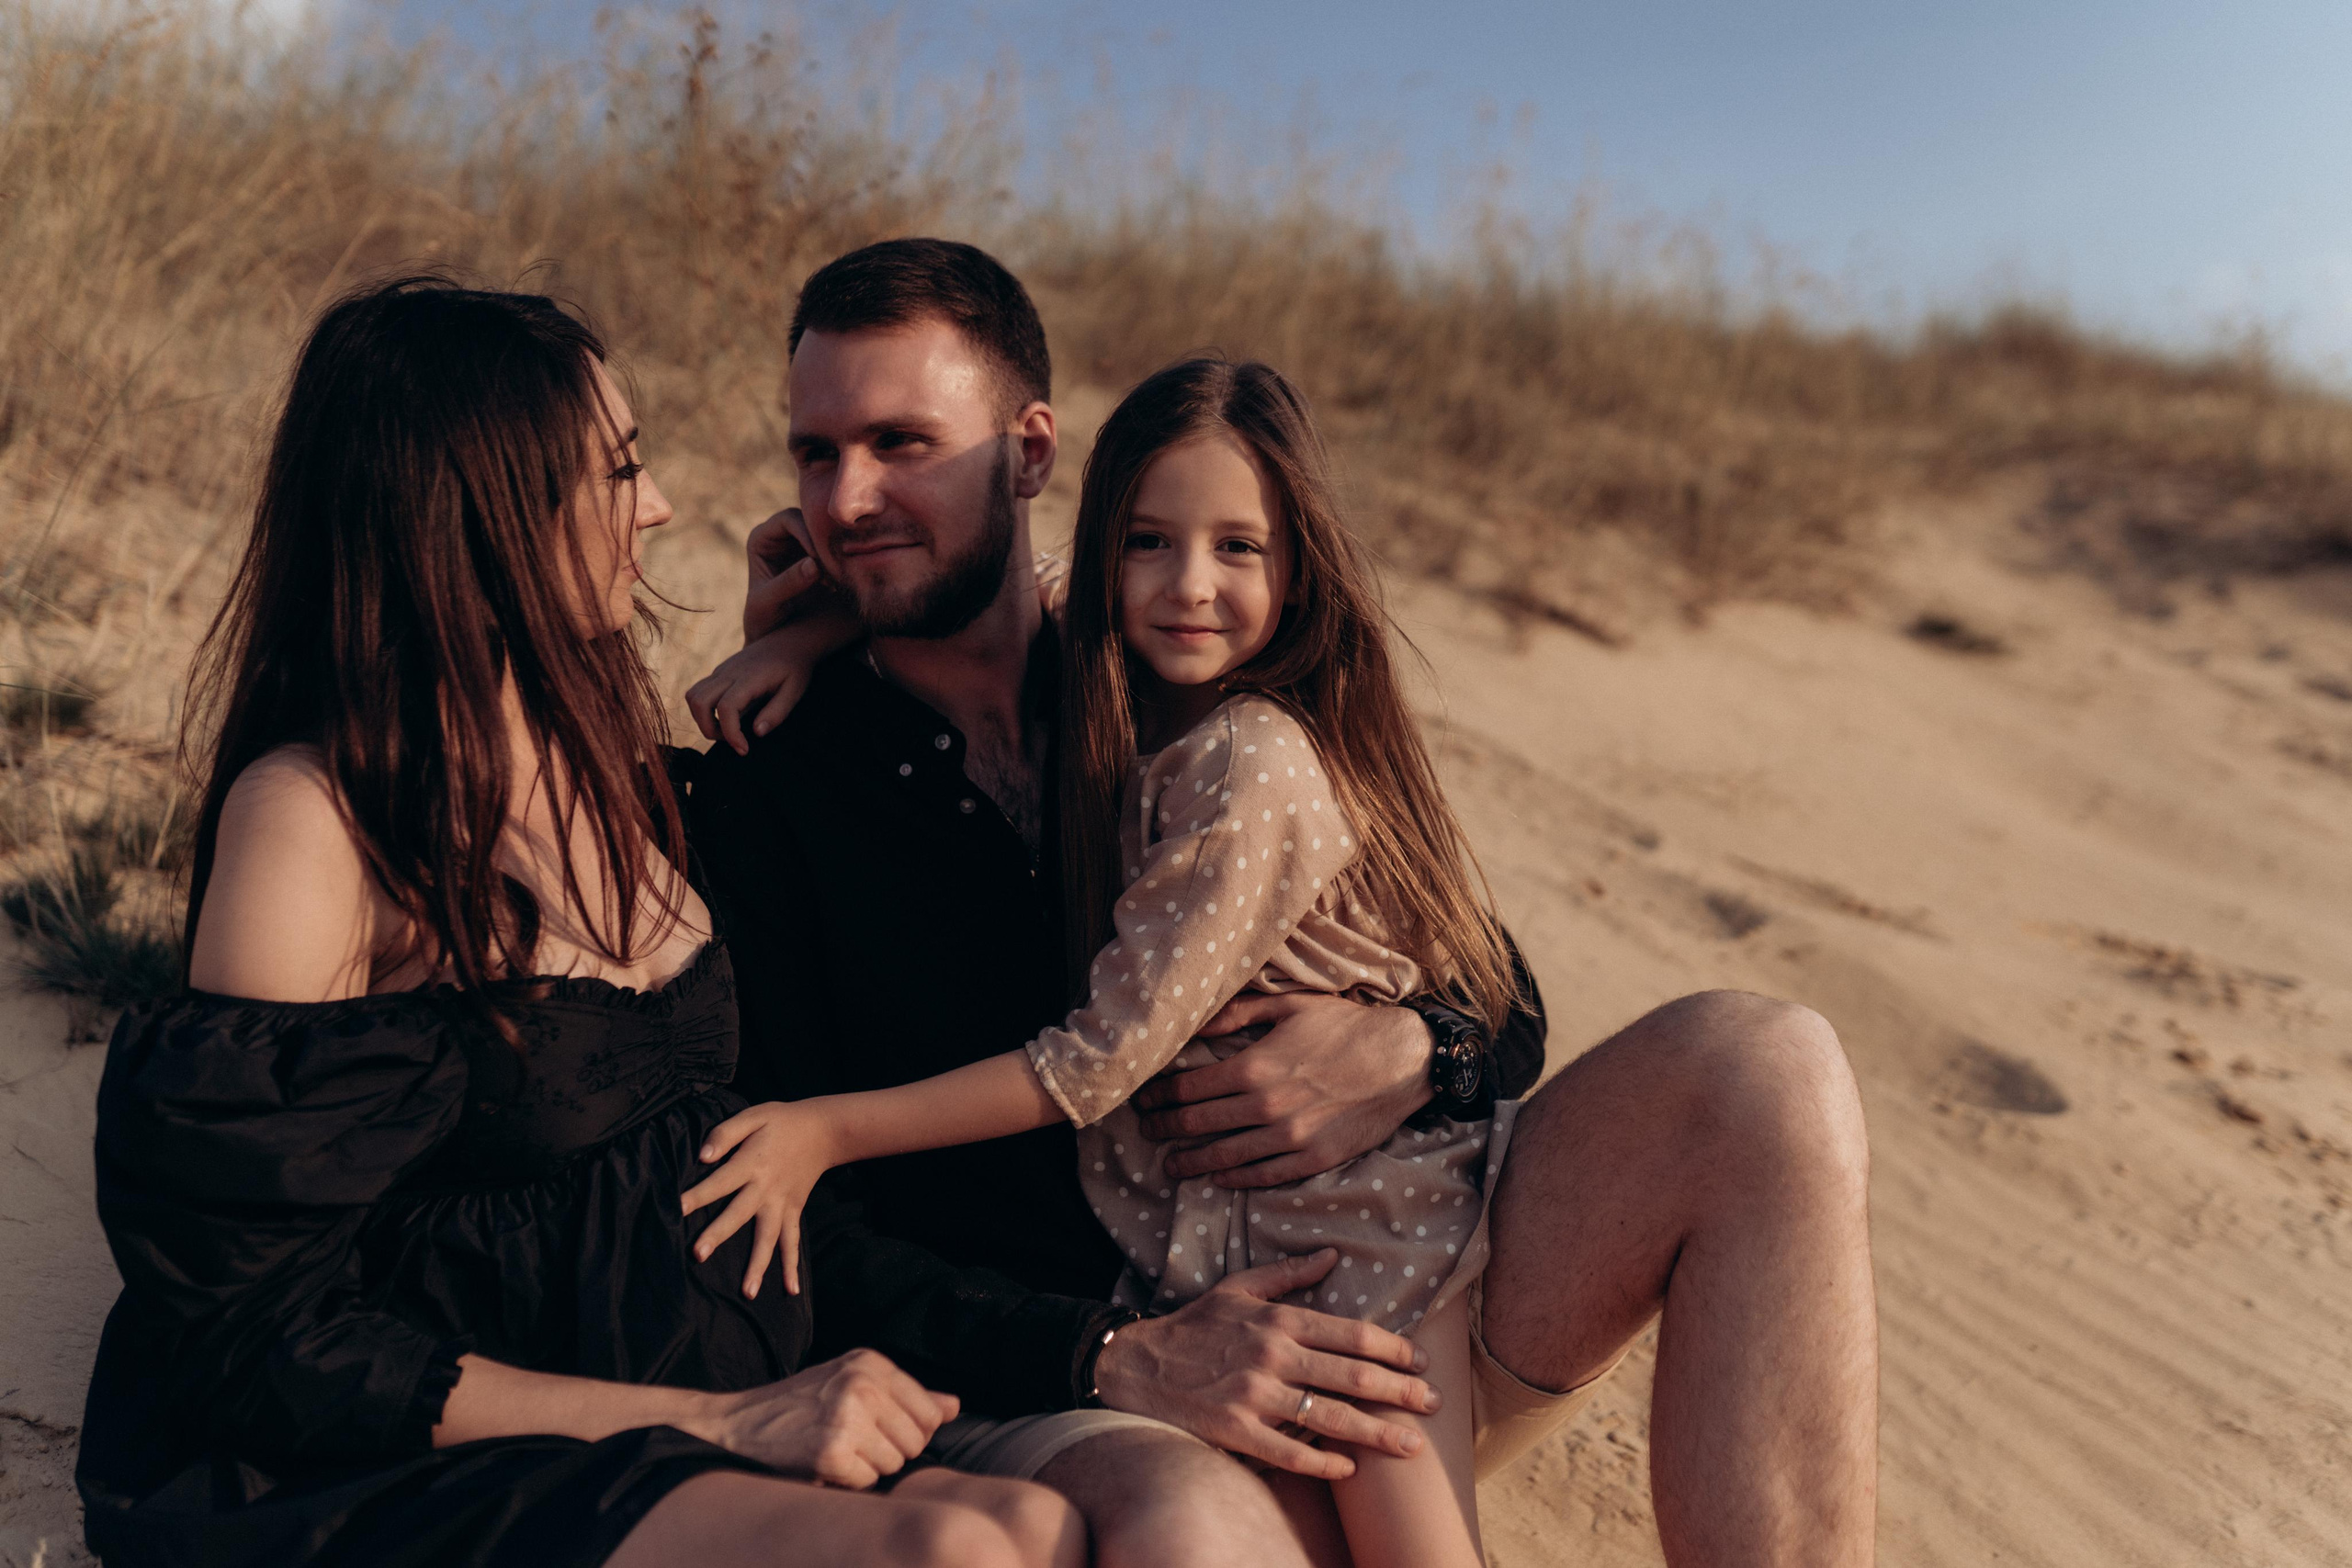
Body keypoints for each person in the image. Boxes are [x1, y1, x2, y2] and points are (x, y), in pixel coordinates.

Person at [689, 238, 1881, 1567]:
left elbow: (1491, 983)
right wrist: (1116, 1356)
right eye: (814, 452)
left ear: (1028, 454)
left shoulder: (1163, 665)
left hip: (1384, 1276)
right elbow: (795, 1225)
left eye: (903, 443)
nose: (851, 497)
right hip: (1127, 1392)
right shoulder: (766, 790)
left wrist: (1415, 1051)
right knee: (1198, 1538)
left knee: (1764, 1064)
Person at [74, 276, 1083, 1568]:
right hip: (407, 1467)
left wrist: (824, 630)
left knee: (1029, 1524)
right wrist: (722, 1420)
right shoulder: (318, 821)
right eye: (617, 471)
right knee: (947, 1554)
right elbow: (251, 1335)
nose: (656, 507)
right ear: (480, 508)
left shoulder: (623, 778)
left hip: (673, 1430)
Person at [684, 355, 1528, 1567]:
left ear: (1302, 569)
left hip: (1362, 1223)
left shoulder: (1248, 767)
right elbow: (1005, 584)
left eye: (1242, 548)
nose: (1189, 585)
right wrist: (812, 629)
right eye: (1148, 543)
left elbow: (1094, 1064)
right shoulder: (1118, 682)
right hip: (1235, 1237)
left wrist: (828, 1130)